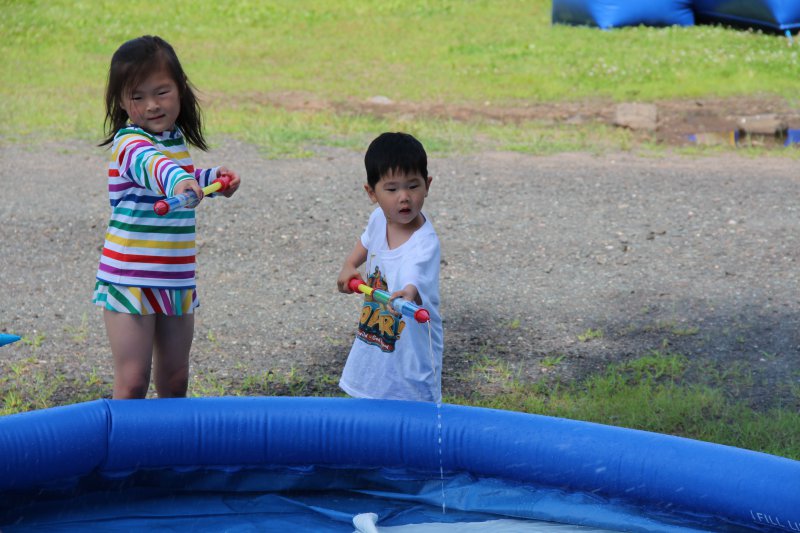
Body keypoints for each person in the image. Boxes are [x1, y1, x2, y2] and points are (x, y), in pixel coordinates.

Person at [93, 35, 240, 399]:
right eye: (137, 97)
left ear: (180, 89)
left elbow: (182, 174)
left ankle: (170, 439)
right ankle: (126, 437)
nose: (152, 105)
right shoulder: (129, 143)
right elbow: (155, 167)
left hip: (175, 277)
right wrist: (179, 181)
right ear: (121, 101)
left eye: (162, 92)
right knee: (133, 380)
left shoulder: (173, 139)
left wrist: (213, 180)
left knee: (176, 378)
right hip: (131, 278)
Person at [337, 132, 443, 402]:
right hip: (376, 337)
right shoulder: (378, 218)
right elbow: (366, 240)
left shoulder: (424, 243)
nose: (404, 197)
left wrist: (408, 293)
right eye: (392, 189)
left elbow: (415, 276)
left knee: (410, 410)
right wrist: (350, 264)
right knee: (368, 397)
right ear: (372, 193)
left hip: (411, 355)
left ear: (427, 185)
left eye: (413, 186)